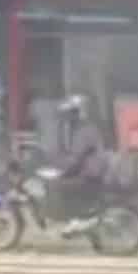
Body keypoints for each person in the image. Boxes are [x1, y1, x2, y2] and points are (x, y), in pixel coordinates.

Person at [55, 94, 110, 235]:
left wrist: (62, 171)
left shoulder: (84, 131)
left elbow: (76, 158)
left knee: (62, 185)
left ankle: (76, 220)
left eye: (71, 114)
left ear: (79, 113)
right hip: (89, 171)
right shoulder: (83, 129)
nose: (67, 118)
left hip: (91, 174)